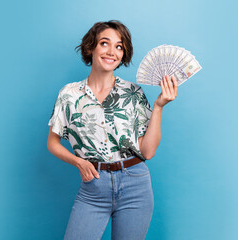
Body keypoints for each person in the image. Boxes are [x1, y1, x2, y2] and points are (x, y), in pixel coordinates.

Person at [47, 20, 178, 240]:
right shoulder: (69, 94)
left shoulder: (133, 92)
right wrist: (78, 162)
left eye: (119, 46)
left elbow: (147, 152)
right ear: (91, 48)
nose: (112, 51)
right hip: (93, 187)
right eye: (104, 43)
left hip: (135, 185)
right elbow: (52, 142)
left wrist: (158, 106)